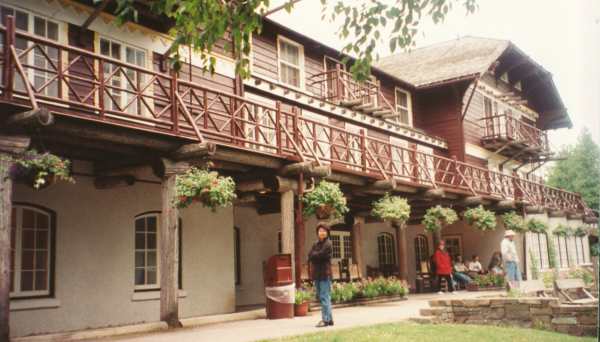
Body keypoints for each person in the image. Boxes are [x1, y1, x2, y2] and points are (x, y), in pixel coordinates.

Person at [308, 223, 334, 327]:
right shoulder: (315, 243)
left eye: (324, 231)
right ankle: (330, 319)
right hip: (317, 274)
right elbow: (310, 255)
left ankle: (325, 320)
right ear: (317, 233)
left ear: (327, 233)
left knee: (324, 297)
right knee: (322, 296)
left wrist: (315, 255)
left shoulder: (328, 244)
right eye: (320, 231)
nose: (321, 232)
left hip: (325, 273)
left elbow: (321, 255)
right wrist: (315, 255)